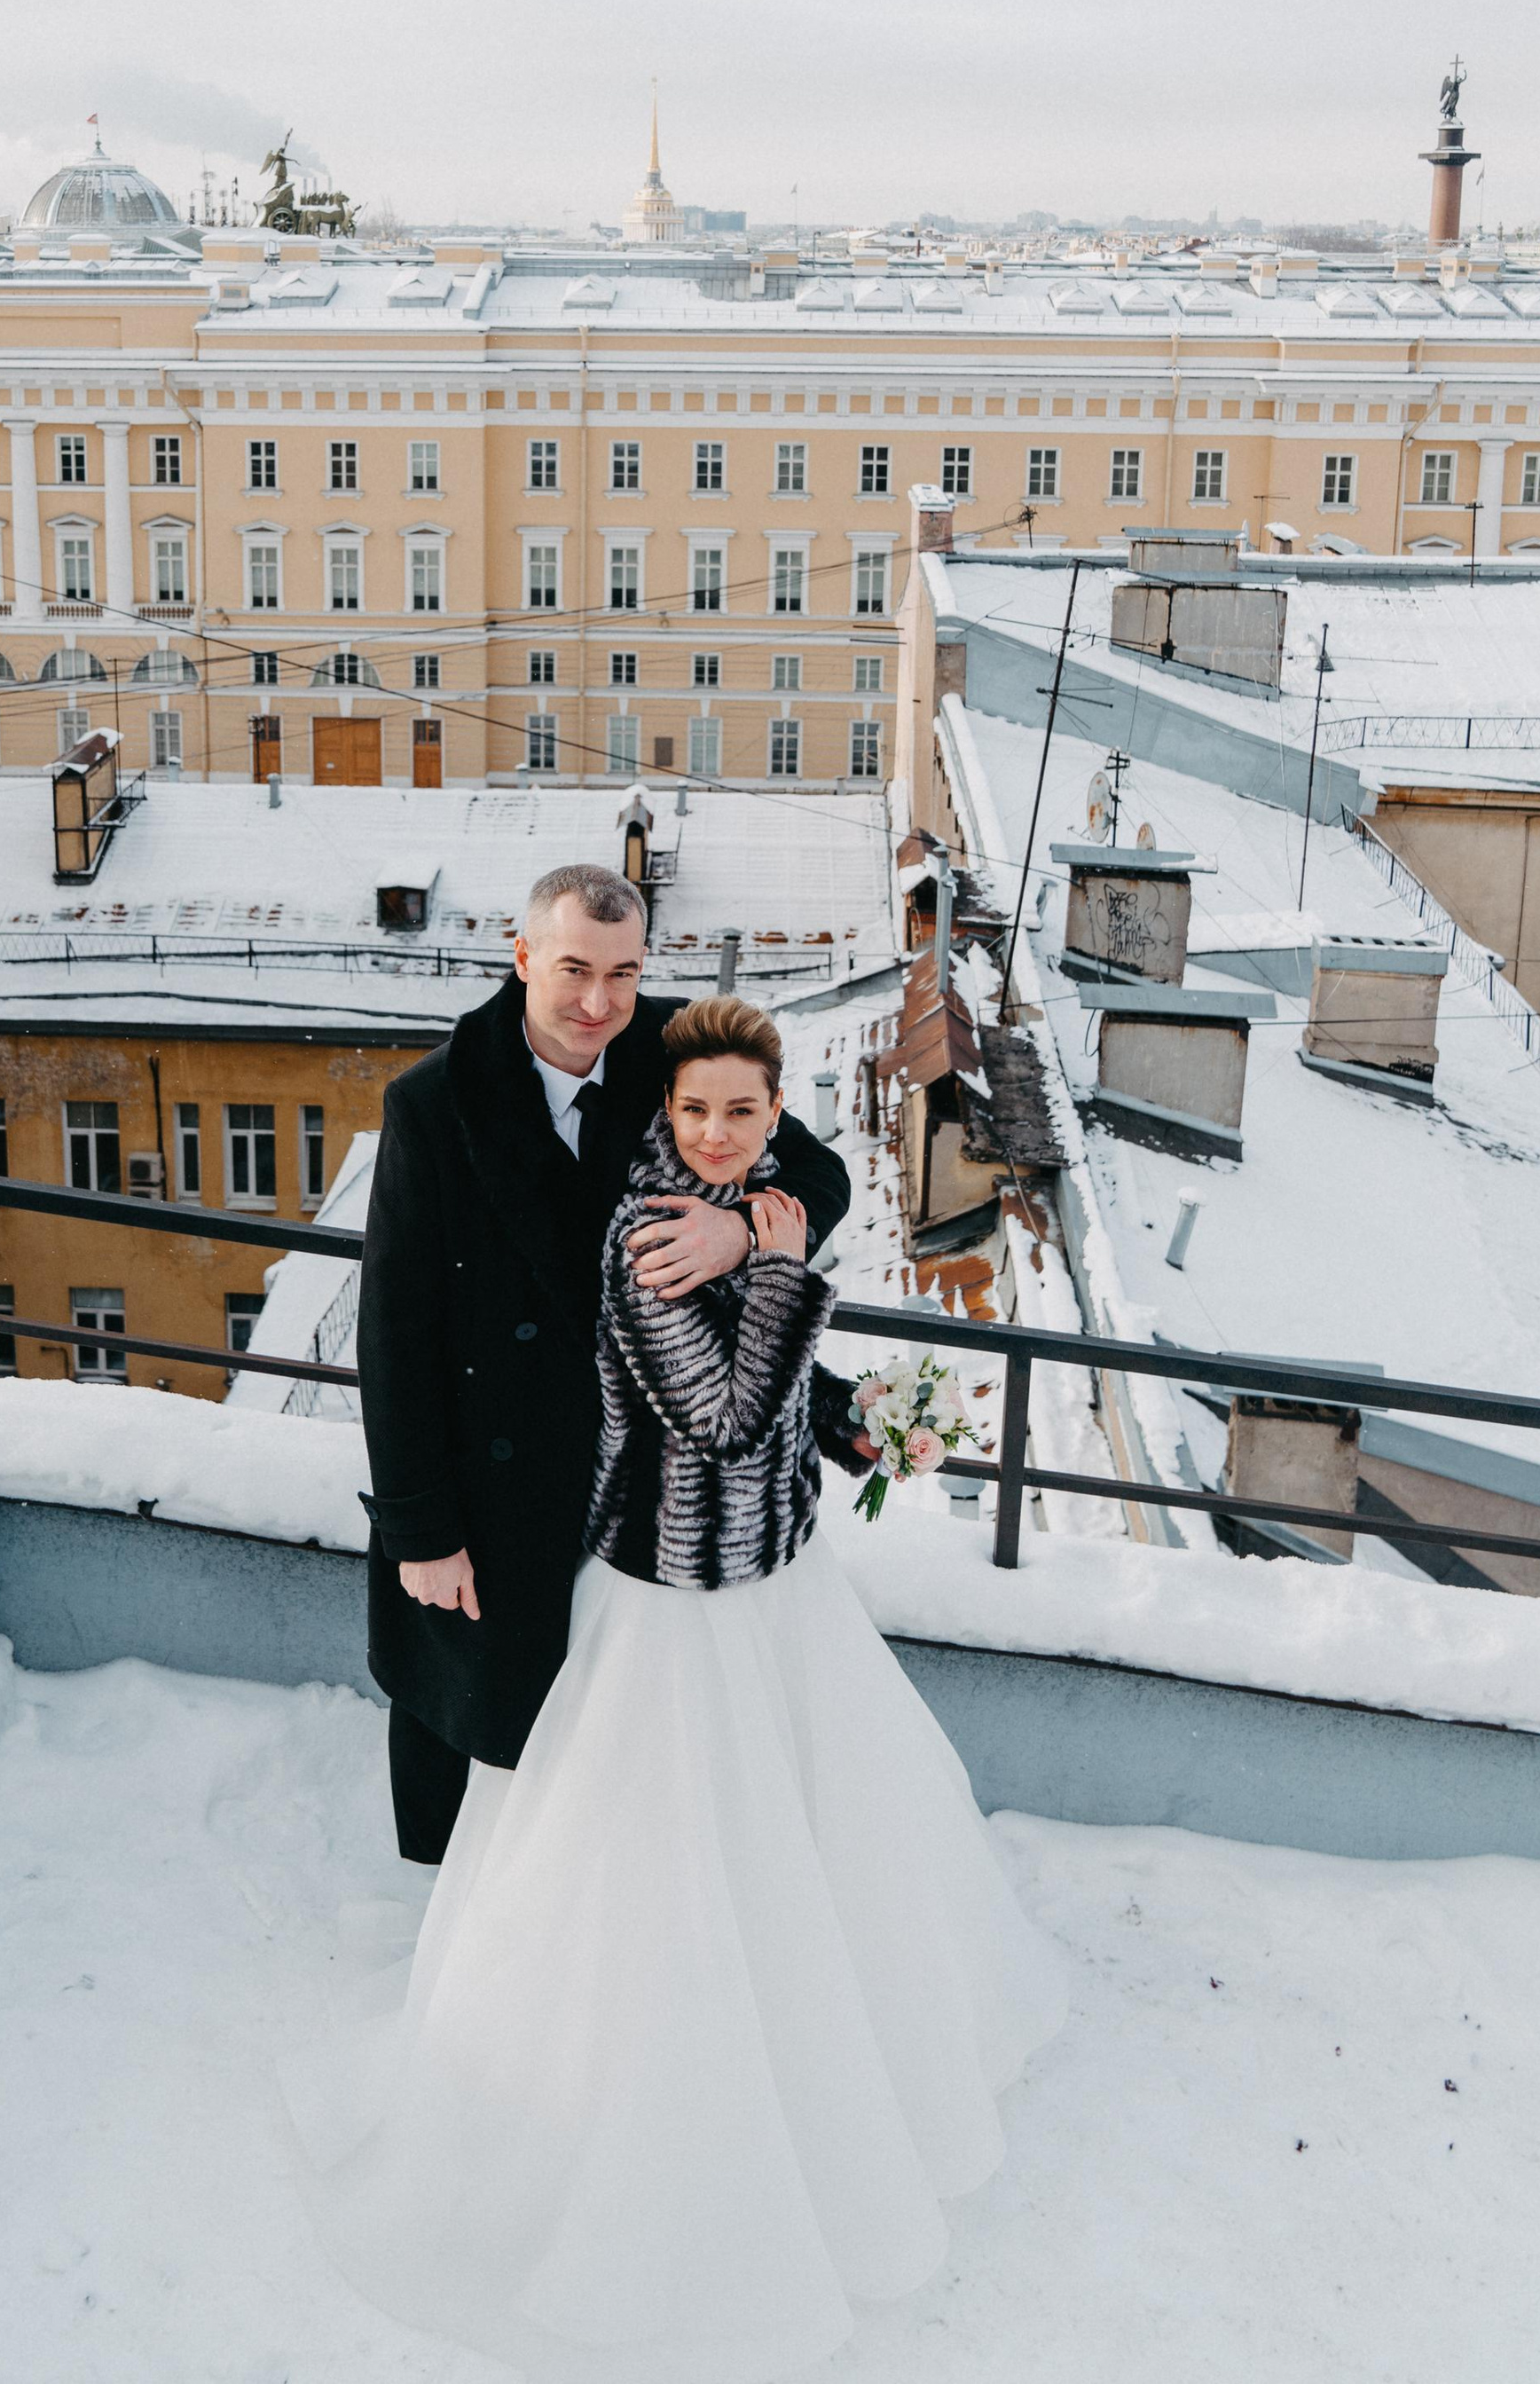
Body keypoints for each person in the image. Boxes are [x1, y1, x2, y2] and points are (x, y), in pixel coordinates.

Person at [291, 995, 1066, 2381]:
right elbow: (713, 1410)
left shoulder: (757, 1196)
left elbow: (783, 1389)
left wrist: (865, 1420)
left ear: (775, 1117)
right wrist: (776, 1261)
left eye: (745, 1114)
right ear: (665, 1113)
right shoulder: (648, 1232)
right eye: (698, 1111)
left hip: (775, 1584)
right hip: (666, 1600)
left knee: (820, 1841)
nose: (718, 1133)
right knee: (662, 1879)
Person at [355, 862, 854, 1864]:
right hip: (503, 1483)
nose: (598, 1003)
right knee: (496, 1733)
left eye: (623, 973)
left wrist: (737, 1234)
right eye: (574, 969)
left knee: (618, 1747)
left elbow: (815, 1171)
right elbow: (395, 1330)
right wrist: (421, 1528)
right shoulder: (433, 1104)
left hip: (640, 1479)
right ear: (522, 954)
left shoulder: (670, 1052)